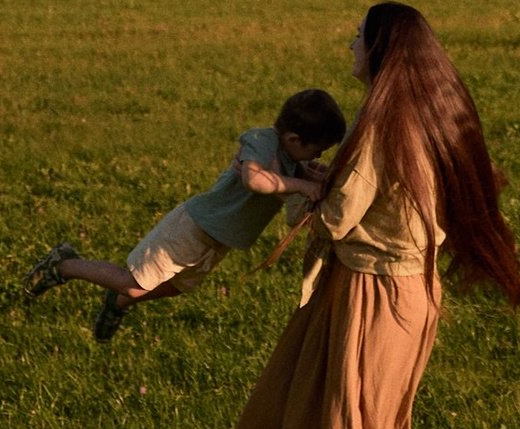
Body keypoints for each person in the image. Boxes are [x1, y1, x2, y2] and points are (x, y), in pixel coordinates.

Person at [212, 1, 520, 429]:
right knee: (361, 419)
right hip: (412, 293)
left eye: (357, 36)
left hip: (369, 295)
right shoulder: (424, 110)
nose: (349, 45)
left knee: (341, 425)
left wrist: (294, 186)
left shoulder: (380, 124)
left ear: (379, 50)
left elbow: (336, 219)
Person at [24, 87, 350, 344]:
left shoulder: (291, 159)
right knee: (134, 281)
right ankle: (64, 264)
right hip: (194, 228)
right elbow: (253, 179)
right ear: (293, 139)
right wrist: (298, 184)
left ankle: (117, 302)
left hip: (216, 241)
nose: (318, 156)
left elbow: (289, 178)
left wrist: (309, 174)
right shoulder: (262, 141)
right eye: (316, 150)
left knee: (172, 287)